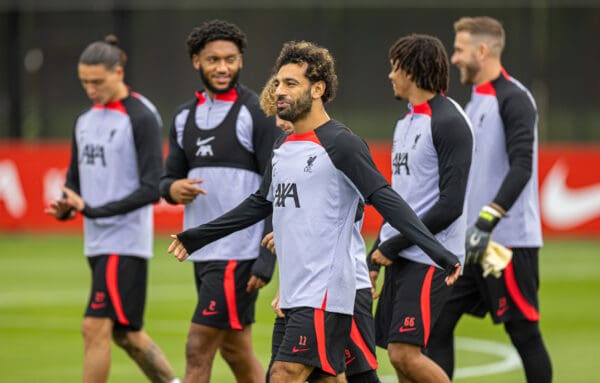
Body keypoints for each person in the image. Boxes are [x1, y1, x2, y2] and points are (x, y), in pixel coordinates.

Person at [167, 40, 461, 383]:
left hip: (326, 292)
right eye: (278, 83)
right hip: (295, 293)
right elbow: (259, 204)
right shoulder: (282, 146)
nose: (279, 91)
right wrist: (196, 237)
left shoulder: (342, 144)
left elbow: (387, 201)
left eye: (291, 84)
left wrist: (439, 252)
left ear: (318, 89)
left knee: (283, 374)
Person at [424, 16, 553, 383]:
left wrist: (487, 220)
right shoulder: (474, 102)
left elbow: (522, 167)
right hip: (470, 246)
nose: (454, 58)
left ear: (483, 51)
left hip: (505, 244)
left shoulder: (514, 99)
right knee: (436, 324)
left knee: (524, 333)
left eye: (460, 50)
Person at [44, 36, 179, 383]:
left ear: (118, 71)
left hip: (125, 241)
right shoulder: (84, 120)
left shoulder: (140, 116)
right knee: (127, 335)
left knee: (94, 327)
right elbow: (74, 180)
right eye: (84, 82)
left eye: (97, 82)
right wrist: (68, 205)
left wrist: (93, 209)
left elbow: (151, 188)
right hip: (97, 241)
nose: (90, 89)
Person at [158, 20, 281, 383]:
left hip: (238, 253)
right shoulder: (183, 116)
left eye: (230, 59)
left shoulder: (256, 112)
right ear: (197, 61)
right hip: (202, 252)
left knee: (198, 347)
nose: (223, 67)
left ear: (241, 60)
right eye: (213, 59)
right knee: (235, 348)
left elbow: (276, 186)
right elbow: (167, 179)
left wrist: (266, 256)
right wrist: (172, 189)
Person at [258, 76, 381, 383]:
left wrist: (302, 225)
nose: (282, 121)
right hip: (307, 291)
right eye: (276, 113)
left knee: (356, 376)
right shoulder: (286, 154)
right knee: (327, 376)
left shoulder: (337, 144)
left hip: (342, 285)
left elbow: (351, 207)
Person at [367, 34, 473, 383]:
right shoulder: (406, 121)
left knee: (404, 353)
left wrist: (392, 245)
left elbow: (451, 206)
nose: (390, 75)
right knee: (399, 360)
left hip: (431, 257)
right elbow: (399, 201)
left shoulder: (449, 121)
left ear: (411, 70)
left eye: (394, 67)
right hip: (402, 254)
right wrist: (375, 255)